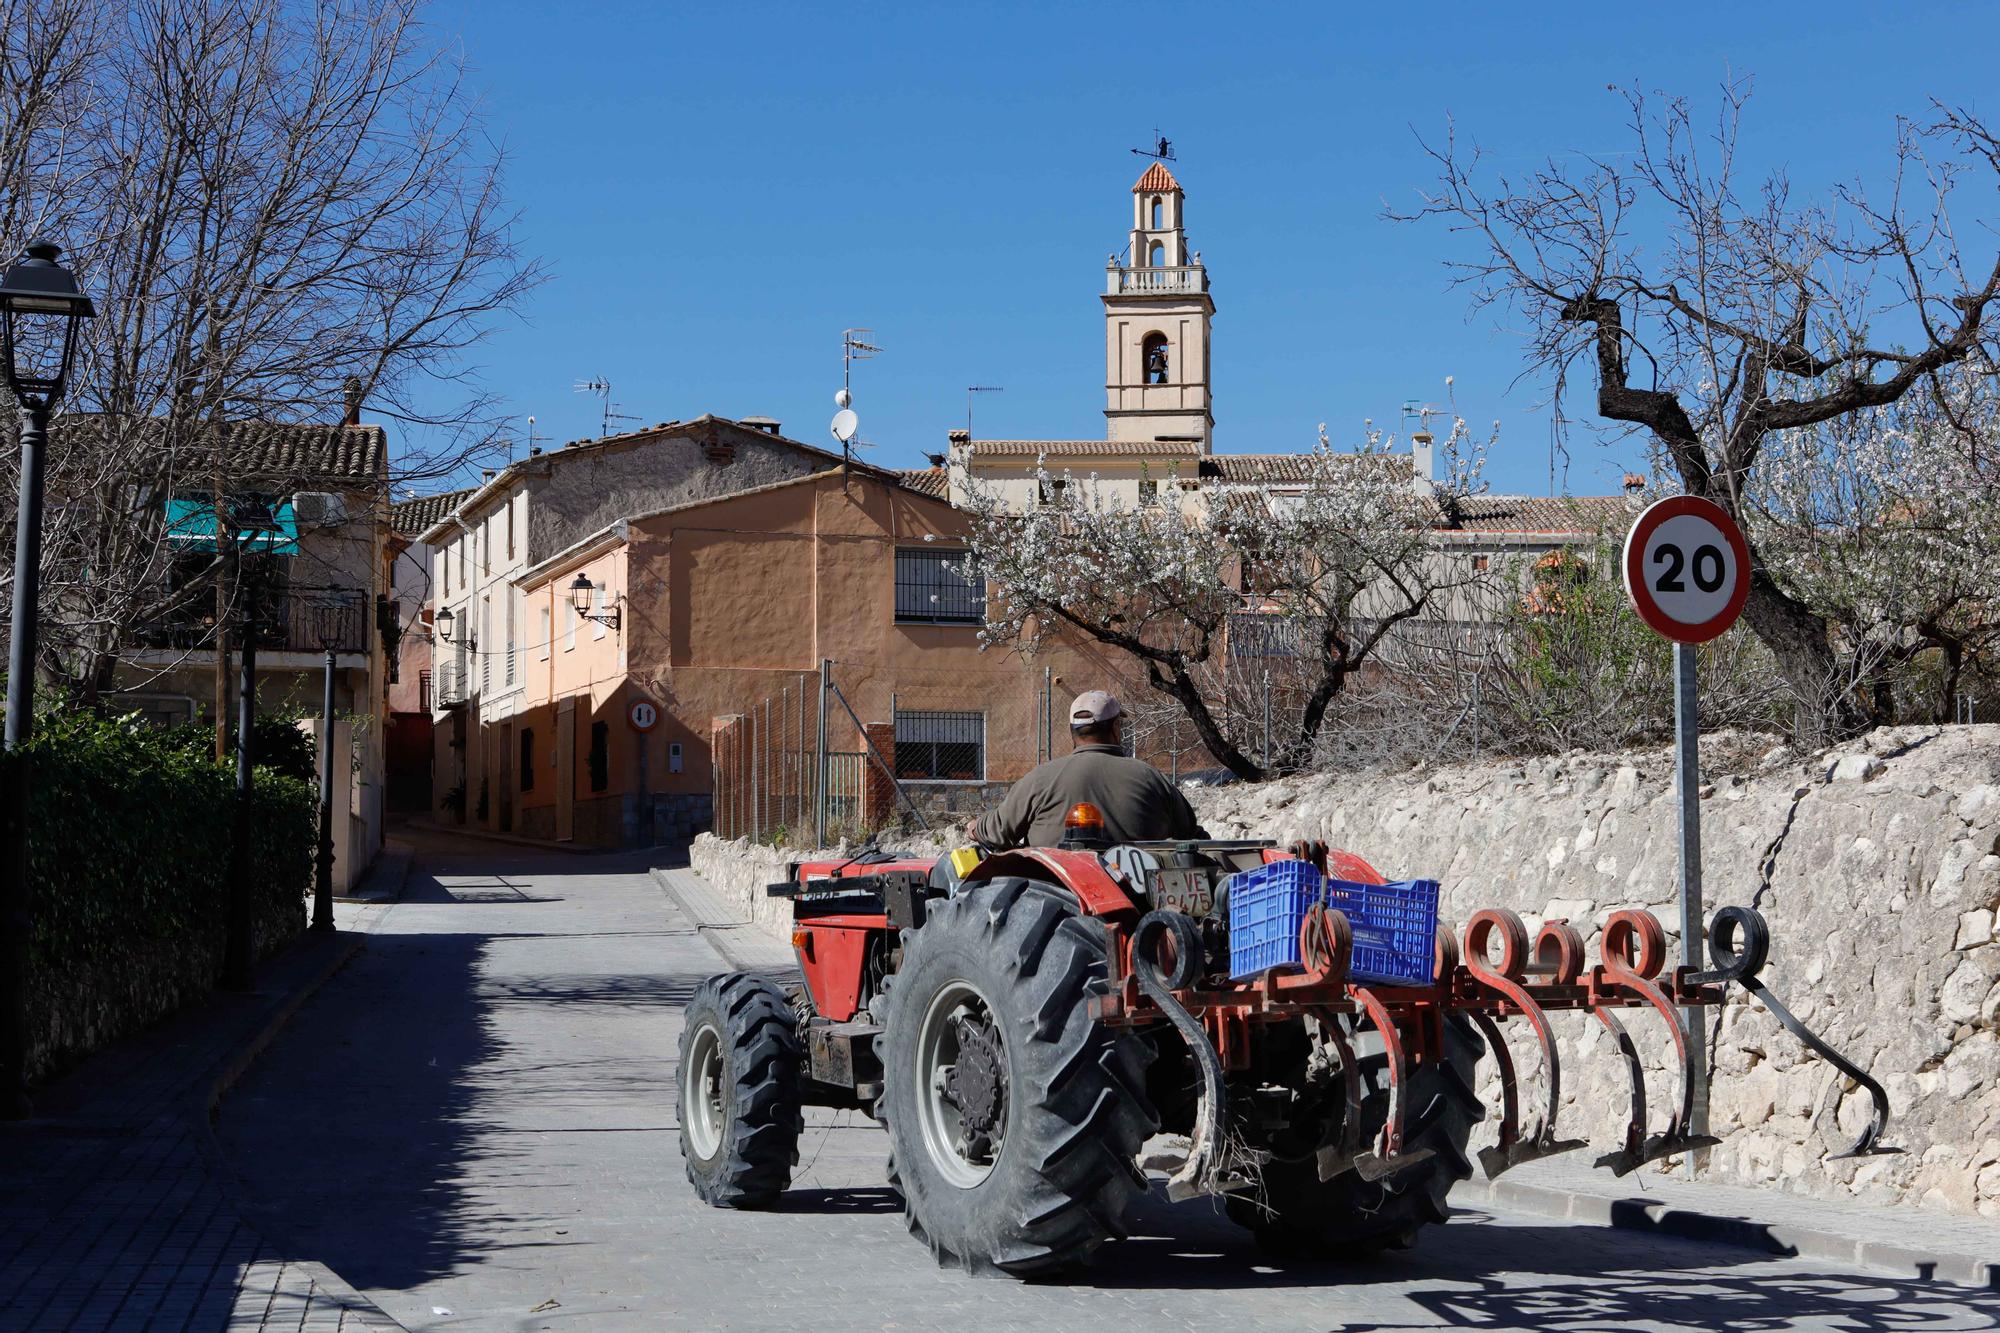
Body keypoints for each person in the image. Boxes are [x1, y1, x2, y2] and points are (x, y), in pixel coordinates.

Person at [970, 691, 1208, 849]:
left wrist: (975, 827)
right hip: (1135, 899)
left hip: (1053, 898)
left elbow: (998, 830)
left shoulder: (1041, 778)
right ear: (1116, 728)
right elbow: (1189, 834)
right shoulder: (1151, 777)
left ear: (1071, 732)